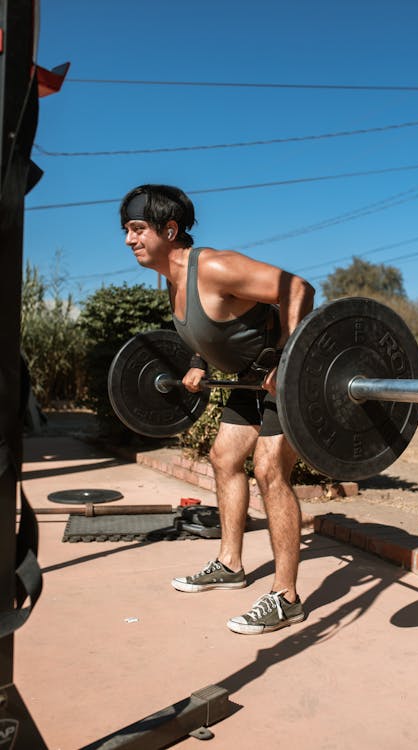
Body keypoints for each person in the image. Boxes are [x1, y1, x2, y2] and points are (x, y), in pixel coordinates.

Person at [120, 184, 315, 635]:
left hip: (283, 379)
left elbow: (298, 289)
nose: (129, 240)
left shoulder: (212, 265)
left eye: (137, 229)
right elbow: (213, 331)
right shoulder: (171, 281)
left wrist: (284, 358)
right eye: (127, 231)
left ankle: (286, 597)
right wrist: (194, 362)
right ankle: (230, 564)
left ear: (170, 230)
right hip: (248, 381)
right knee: (224, 457)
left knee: (270, 469)